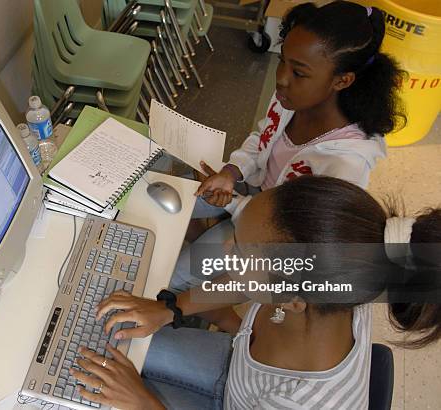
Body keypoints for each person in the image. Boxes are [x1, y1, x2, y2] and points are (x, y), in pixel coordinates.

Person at [67, 175, 441, 409]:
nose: (225, 252)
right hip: (237, 376)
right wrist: (169, 309)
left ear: (291, 301)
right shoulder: (337, 281)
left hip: (245, 396)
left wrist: (142, 402)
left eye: (240, 251)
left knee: (93, 388)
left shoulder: (305, 403)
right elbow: (242, 282)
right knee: (101, 342)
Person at [171, 0, 406, 291]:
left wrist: (234, 205)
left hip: (273, 233)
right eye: (282, 60)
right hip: (251, 193)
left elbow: (299, 235)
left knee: (174, 279)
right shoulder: (292, 97)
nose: (281, 78)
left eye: (299, 72)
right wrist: (231, 172)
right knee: (164, 194)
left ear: (342, 80)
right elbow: (262, 137)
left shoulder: (347, 166)